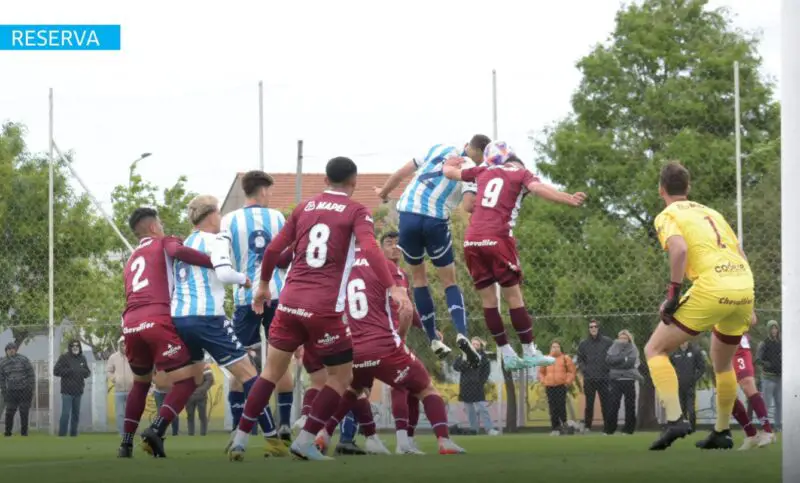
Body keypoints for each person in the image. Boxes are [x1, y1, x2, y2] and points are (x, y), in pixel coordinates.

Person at [228, 156, 412, 462]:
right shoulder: (356, 210)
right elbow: (369, 248)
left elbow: (274, 249)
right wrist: (392, 286)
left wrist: (262, 286)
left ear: (325, 180)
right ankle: (306, 440)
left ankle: (241, 439)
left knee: (270, 372)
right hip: (323, 309)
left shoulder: (304, 207)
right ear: (354, 183)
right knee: (341, 377)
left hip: (288, 303)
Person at [644, 161, 756, 451]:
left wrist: (673, 295)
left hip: (713, 286)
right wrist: (748, 302)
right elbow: (740, 251)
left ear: (661, 190)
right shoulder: (712, 212)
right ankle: (722, 432)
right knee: (721, 363)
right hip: (744, 286)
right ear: (689, 188)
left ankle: (675, 420)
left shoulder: (667, 214)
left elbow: (679, 249)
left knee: (654, 349)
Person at [442, 143, 585, 370]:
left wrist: (448, 163)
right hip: (497, 238)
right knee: (514, 299)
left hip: (472, 240)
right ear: (513, 159)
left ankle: (506, 353)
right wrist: (568, 198)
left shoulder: (483, 171)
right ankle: (529, 351)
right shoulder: (521, 172)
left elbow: (450, 172)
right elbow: (538, 189)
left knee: (489, 302)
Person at [315, 244, 464, 456]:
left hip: (353, 347)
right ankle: (443, 441)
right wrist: (401, 339)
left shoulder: (339, 268)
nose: (395, 248)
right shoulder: (387, 267)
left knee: (353, 390)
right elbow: (407, 309)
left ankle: (324, 433)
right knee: (425, 388)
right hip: (384, 345)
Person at [171, 195, 285, 458]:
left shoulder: (186, 242)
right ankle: (271, 438)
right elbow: (224, 274)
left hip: (180, 317)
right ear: (212, 214)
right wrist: (246, 280)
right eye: (219, 214)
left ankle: (155, 430)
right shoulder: (216, 239)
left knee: (192, 379)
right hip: (208, 317)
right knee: (249, 374)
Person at [374, 136, 492, 365]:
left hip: (407, 215)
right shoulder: (472, 169)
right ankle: (462, 333)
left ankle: (432, 338)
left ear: (468, 143)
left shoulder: (440, 148)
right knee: (449, 281)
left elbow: (401, 173)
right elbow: (468, 205)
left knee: (419, 279)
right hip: (435, 220)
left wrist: (383, 193)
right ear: (482, 156)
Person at [119, 207, 218, 458]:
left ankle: (126, 444)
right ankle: (157, 429)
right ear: (153, 227)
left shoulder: (130, 260)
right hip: (157, 318)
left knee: (140, 384)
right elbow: (178, 251)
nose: (162, 227)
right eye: (160, 223)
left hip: (130, 322)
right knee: (188, 381)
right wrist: (214, 262)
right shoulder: (165, 242)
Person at [221, 170, 295, 441]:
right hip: (277, 294)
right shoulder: (276, 217)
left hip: (245, 297)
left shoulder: (229, 220)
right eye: (270, 191)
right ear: (262, 191)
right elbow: (287, 254)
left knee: (240, 362)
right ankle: (285, 424)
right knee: (279, 361)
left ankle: (241, 425)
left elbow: (224, 258)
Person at [719, 332, 775, 450]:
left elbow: (752, 319)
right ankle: (751, 434)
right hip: (722, 350)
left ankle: (768, 431)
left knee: (747, 384)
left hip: (738, 347)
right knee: (727, 395)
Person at [453, 337, 497, 436]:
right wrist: (464, 360)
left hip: (477, 386)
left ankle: (489, 429)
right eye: (473, 344)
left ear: (480, 346)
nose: (474, 346)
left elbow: (486, 372)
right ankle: (474, 430)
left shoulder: (483, 357)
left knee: (482, 408)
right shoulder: (464, 355)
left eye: (477, 344)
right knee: (470, 410)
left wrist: (480, 382)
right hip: (465, 386)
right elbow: (456, 367)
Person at [577, 320, 614, 434]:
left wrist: (607, 370)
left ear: (599, 328)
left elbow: (613, 356)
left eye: (595, 326)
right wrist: (585, 370)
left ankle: (607, 429)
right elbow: (580, 360)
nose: (593, 328)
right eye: (591, 327)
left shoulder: (607, 342)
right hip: (589, 379)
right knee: (589, 404)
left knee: (606, 404)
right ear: (589, 329)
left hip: (604, 378)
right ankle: (587, 427)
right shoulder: (583, 344)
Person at [538, 340, 576, 436]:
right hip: (549, 386)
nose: (555, 348)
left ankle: (564, 426)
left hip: (561, 386)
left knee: (561, 406)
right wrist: (544, 381)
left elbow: (572, 372)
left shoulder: (565, 358)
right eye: (553, 347)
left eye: (557, 346)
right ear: (550, 348)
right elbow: (541, 372)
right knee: (552, 408)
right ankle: (555, 428)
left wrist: (567, 382)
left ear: (560, 348)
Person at [606, 330, 641, 435]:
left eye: (625, 338)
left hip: (629, 381)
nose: (622, 340)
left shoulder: (633, 349)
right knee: (613, 405)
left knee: (630, 406)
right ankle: (610, 430)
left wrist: (617, 363)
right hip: (616, 381)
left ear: (629, 339)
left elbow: (631, 364)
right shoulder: (613, 348)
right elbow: (609, 361)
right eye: (620, 338)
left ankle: (628, 429)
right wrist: (623, 360)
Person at [54, 340, 90, 437]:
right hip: (66, 391)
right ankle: (62, 435)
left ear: (79, 347)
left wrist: (81, 371)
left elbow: (88, 372)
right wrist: (70, 370)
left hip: (78, 391)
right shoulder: (64, 357)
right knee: (65, 414)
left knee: (76, 415)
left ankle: (73, 435)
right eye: (73, 346)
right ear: (70, 347)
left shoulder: (82, 358)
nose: (75, 347)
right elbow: (56, 371)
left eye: (77, 346)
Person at [669, 341, 705, 432]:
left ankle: (693, 429)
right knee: (681, 408)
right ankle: (684, 428)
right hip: (679, 385)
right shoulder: (674, 353)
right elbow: (669, 367)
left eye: (684, 341)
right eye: (681, 341)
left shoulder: (695, 352)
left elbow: (702, 368)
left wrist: (694, 378)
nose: (683, 343)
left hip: (690, 386)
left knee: (691, 409)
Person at [0, 342, 35, 436]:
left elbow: (31, 374)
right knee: (9, 412)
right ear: (6, 351)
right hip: (11, 391)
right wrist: (4, 392)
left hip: (25, 390)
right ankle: (8, 433)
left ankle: (24, 433)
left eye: (13, 348)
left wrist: (30, 388)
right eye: (9, 349)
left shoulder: (23, 359)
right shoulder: (2, 362)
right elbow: (2, 379)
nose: (12, 350)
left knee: (24, 412)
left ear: (15, 350)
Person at [756, 320, 781, 431]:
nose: (774, 330)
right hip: (768, 378)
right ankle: (765, 426)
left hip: (779, 377)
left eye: (775, 328)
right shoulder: (764, 343)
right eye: (772, 328)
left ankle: (778, 425)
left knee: (779, 403)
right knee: (766, 404)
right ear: (768, 330)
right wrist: (767, 364)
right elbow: (757, 360)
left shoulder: (781, 343)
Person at [106, 336, 134, 435]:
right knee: (120, 414)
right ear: (119, 345)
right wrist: (114, 379)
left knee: (131, 413)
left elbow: (139, 370)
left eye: (125, 344)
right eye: (122, 344)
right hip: (119, 390)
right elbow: (109, 371)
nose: (124, 346)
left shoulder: (134, 355)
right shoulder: (113, 357)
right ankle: (122, 433)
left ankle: (130, 432)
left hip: (132, 390)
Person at [186, 363, 214, 436]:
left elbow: (210, 380)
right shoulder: (184, 365)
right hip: (189, 396)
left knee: (202, 416)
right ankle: (190, 435)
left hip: (201, 396)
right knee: (190, 416)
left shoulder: (205, 366)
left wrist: (200, 390)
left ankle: (203, 434)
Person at [152, 372, 180, 437]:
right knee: (160, 413)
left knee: (173, 412)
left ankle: (175, 434)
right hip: (159, 392)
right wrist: (157, 382)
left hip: (172, 391)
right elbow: (151, 374)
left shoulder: (174, 363)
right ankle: (160, 433)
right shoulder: (155, 363)